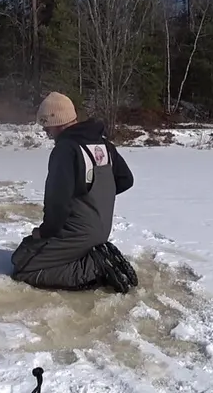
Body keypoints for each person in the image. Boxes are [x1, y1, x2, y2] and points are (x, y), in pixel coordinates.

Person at [10, 92, 139, 293]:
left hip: (77, 232)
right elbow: (126, 180)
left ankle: (96, 268)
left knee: (22, 265)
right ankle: (97, 258)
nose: (45, 130)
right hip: (102, 230)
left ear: (56, 120)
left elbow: (57, 203)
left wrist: (44, 233)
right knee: (29, 248)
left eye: (45, 125)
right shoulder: (103, 144)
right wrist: (94, 199)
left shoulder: (66, 150)